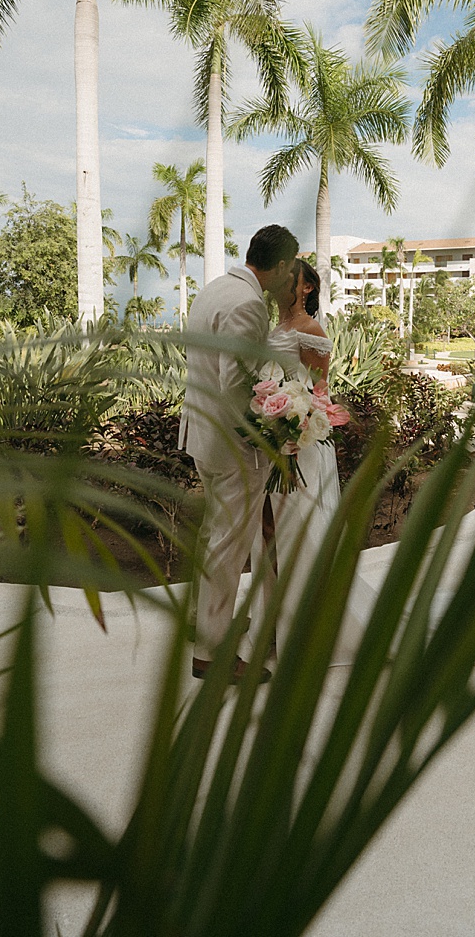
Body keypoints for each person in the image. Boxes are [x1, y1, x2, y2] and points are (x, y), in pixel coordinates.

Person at [179, 224, 299, 683]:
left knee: (215, 536)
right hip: (234, 446)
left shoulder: (214, 289)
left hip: (202, 436)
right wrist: (270, 433)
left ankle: (204, 621)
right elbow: (237, 384)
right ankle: (212, 653)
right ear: (284, 265)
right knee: (229, 548)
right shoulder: (248, 304)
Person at [252, 258, 340, 657]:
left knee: (293, 529)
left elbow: (318, 392)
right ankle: (273, 618)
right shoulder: (276, 329)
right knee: (268, 531)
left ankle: (301, 627)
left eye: (293, 278)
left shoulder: (310, 330)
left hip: (300, 444)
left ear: (307, 288)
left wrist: (296, 423)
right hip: (272, 441)